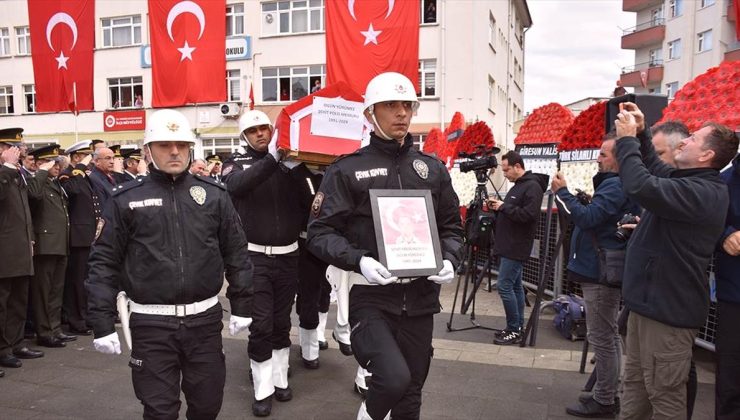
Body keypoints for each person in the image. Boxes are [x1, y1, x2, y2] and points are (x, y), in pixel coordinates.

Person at [307, 72, 464, 420]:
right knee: (393, 378)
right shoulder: (348, 170)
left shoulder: (432, 169)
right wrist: (358, 261)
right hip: (369, 297)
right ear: (369, 114)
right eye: (390, 105)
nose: (401, 113)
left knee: (412, 393)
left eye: (407, 105)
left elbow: (452, 228)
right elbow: (319, 233)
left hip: (421, 299)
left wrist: (451, 258)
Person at [86, 109, 254, 419]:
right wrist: (100, 322)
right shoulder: (125, 199)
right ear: (148, 150)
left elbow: (236, 252)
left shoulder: (215, 196)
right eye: (164, 145)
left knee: (207, 407)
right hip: (151, 325)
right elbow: (103, 263)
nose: (174, 151)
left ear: (191, 148)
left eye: (181, 144)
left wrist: (242, 303)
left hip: (204, 321)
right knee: (159, 411)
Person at [614, 103, 738, 420]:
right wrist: (641, 134)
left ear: (707, 155)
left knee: (665, 398)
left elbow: (640, 184)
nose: (683, 140)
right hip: (648, 307)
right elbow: (655, 168)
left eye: (693, 138)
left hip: (667, 314)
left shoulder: (704, 192)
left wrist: (627, 140)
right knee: (635, 388)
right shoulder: (691, 181)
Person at [222, 110, 305, 417]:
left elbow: (310, 201)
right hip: (255, 256)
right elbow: (235, 186)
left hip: (288, 255)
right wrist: (272, 161)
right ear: (244, 135)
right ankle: (262, 387)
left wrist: (300, 170)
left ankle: (280, 377)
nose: (261, 134)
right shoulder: (237, 162)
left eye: (265, 129)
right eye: (253, 130)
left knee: (282, 322)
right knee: (261, 325)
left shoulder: (290, 164)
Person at [552, 134, 639, 417]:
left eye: (603, 154)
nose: (598, 159)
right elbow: (599, 216)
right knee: (608, 335)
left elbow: (588, 219)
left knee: (602, 336)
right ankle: (607, 393)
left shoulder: (615, 185)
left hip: (600, 271)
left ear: (619, 159)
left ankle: (604, 399)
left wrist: (562, 193)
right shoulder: (617, 185)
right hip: (601, 268)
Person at [487, 151, 547, 345]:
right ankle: (517, 326)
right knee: (514, 286)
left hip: (516, 246)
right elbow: (514, 212)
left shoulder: (532, 187)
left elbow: (528, 216)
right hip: (508, 244)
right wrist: (499, 208)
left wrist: (503, 207)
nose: (504, 174)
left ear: (517, 166)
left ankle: (515, 329)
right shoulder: (518, 186)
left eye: (506, 170)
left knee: (504, 286)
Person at [0, 127, 45, 373]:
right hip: (4, 250)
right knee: (2, 303)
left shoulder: (16, 173)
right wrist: (6, 168)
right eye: (14, 148)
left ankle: (16, 343)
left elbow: (24, 210)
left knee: (18, 300)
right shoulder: (6, 173)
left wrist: (29, 238)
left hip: (19, 246)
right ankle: (2, 349)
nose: (20, 152)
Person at [26, 145, 76, 348]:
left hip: (59, 243)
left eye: (57, 162)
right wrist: (41, 172)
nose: (57, 166)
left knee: (56, 290)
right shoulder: (36, 182)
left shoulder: (55, 184)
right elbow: (34, 196)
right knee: (43, 292)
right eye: (52, 162)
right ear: (40, 163)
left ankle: (55, 328)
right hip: (45, 244)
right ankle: (44, 331)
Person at [58, 140, 101, 335]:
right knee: (77, 282)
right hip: (77, 237)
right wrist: (80, 168)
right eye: (86, 157)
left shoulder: (83, 176)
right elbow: (72, 191)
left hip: (88, 235)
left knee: (86, 280)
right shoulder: (68, 175)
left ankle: (86, 316)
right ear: (76, 157)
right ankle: (76, 320)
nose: (90, 162)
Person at [716, 151, 740, 420]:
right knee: (731, 379)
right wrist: (725, 236)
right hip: (734, 295)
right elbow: (707, 222)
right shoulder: (724, 182)